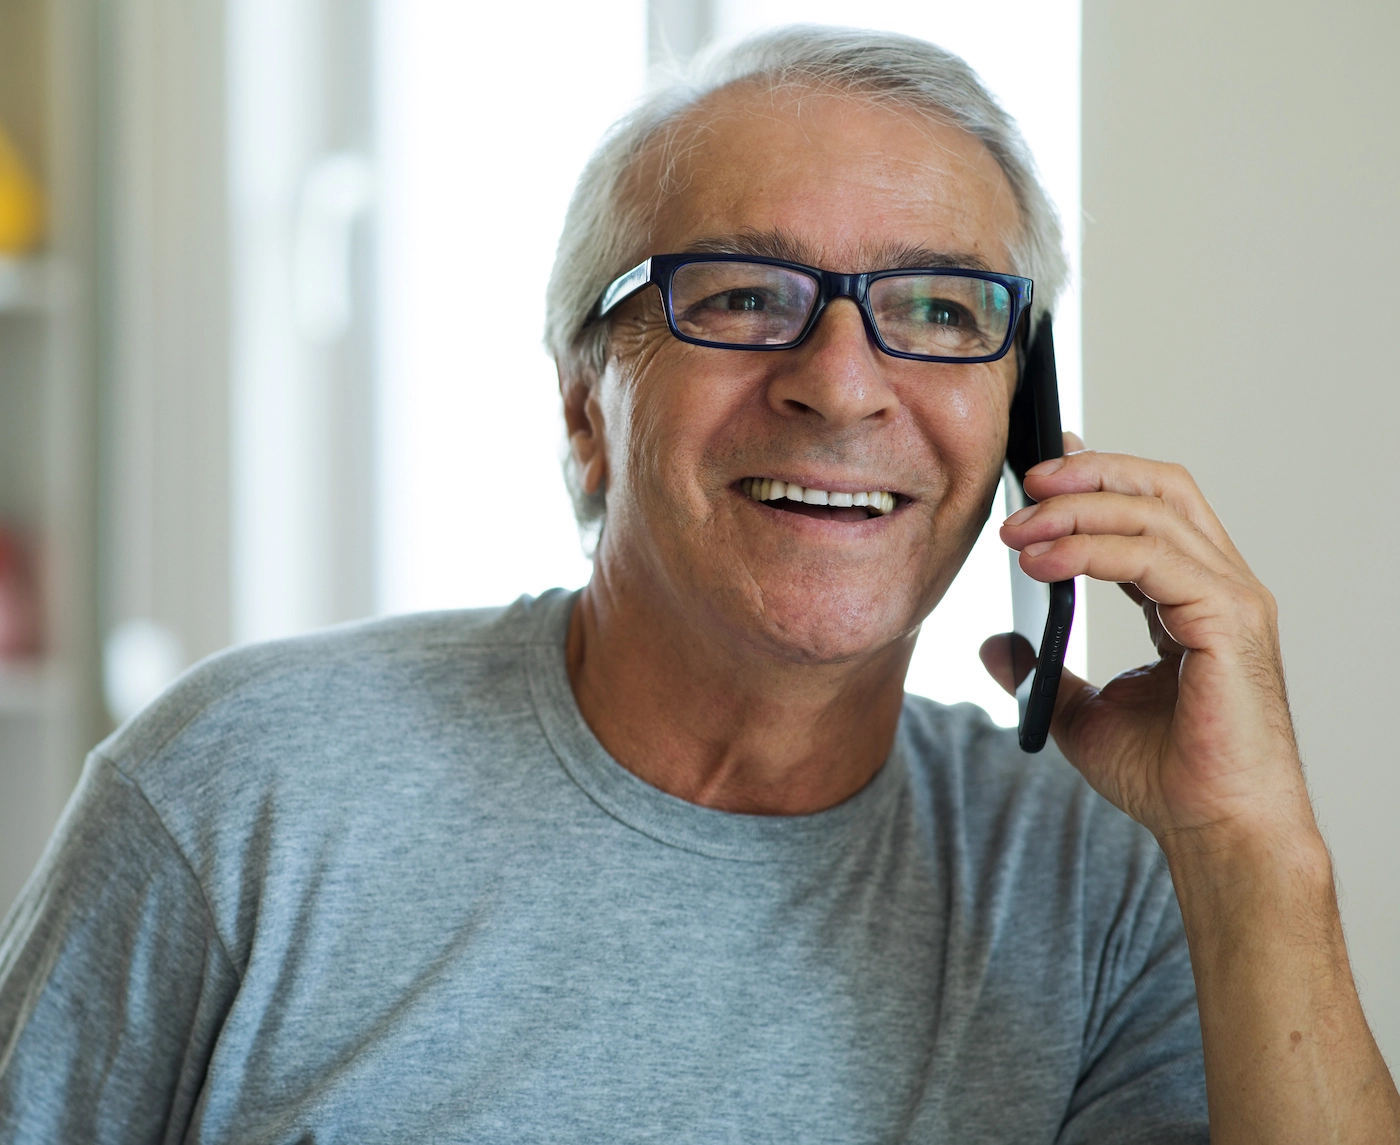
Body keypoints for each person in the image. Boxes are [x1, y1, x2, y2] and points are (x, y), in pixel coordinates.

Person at [1, 25, 1396, 1145]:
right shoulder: (243, 790)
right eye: (739, 295)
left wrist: (1254, 853)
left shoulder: (1102, 875)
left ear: (1023, 427)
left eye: (938, 310)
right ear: (586, 407)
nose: (842, 385)